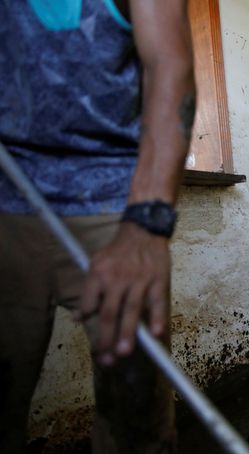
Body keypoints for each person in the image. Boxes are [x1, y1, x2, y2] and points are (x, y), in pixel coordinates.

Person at [0, 1, 194, 452]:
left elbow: (169, 64)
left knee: (137, 420)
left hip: (114, 199)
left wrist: (147, 225)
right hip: (7, 197)